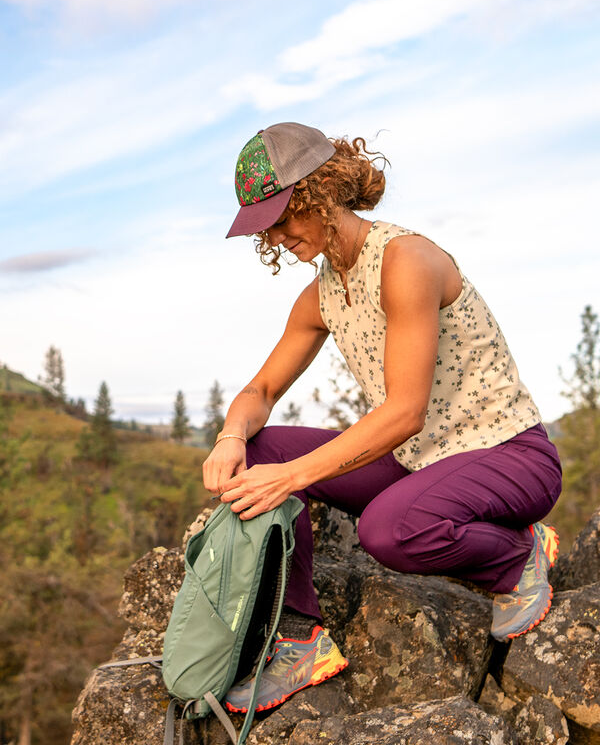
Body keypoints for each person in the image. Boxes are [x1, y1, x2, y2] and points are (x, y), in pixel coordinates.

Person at [202, 122, 562, 714]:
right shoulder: (322, 292)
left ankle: (517, 556)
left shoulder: (405, 259)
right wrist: (230, 435)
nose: (278, 233)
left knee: (387, 531)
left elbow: (404, 412)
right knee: (262, 450)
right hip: (421, 466)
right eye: (267, 225)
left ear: (320, 192)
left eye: (286, 214)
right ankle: (300, 638)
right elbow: (261, 388)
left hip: (509, 456)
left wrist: (292, 479)